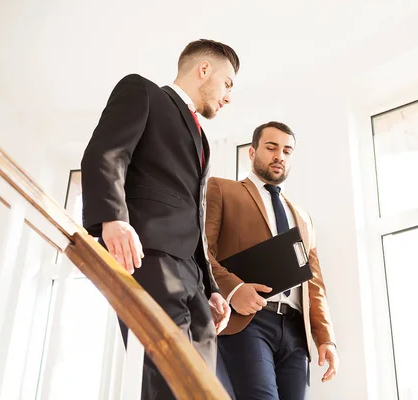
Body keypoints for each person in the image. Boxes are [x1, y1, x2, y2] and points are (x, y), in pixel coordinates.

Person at [81, 39, 240, 399]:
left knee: (204, 386)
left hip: (193, 276)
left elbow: (195, 215)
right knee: (166, 381)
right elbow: (105, 153)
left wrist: (212, 287)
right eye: (227, 83)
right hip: (148, 256)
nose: (229, 96)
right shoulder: (143, 92)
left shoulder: (204, 141)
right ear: (203, 70)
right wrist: (113, 219)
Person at [205, 121, 339, 399]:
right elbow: (201, 252)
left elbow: (314, 284)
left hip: (295, 333)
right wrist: (233, 289)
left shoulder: (302, 217)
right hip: (248, 322)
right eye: (271, 147)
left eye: (287, 151)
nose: (280, 155)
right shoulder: (222, 189)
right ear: (252, 153)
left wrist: (326, 339)